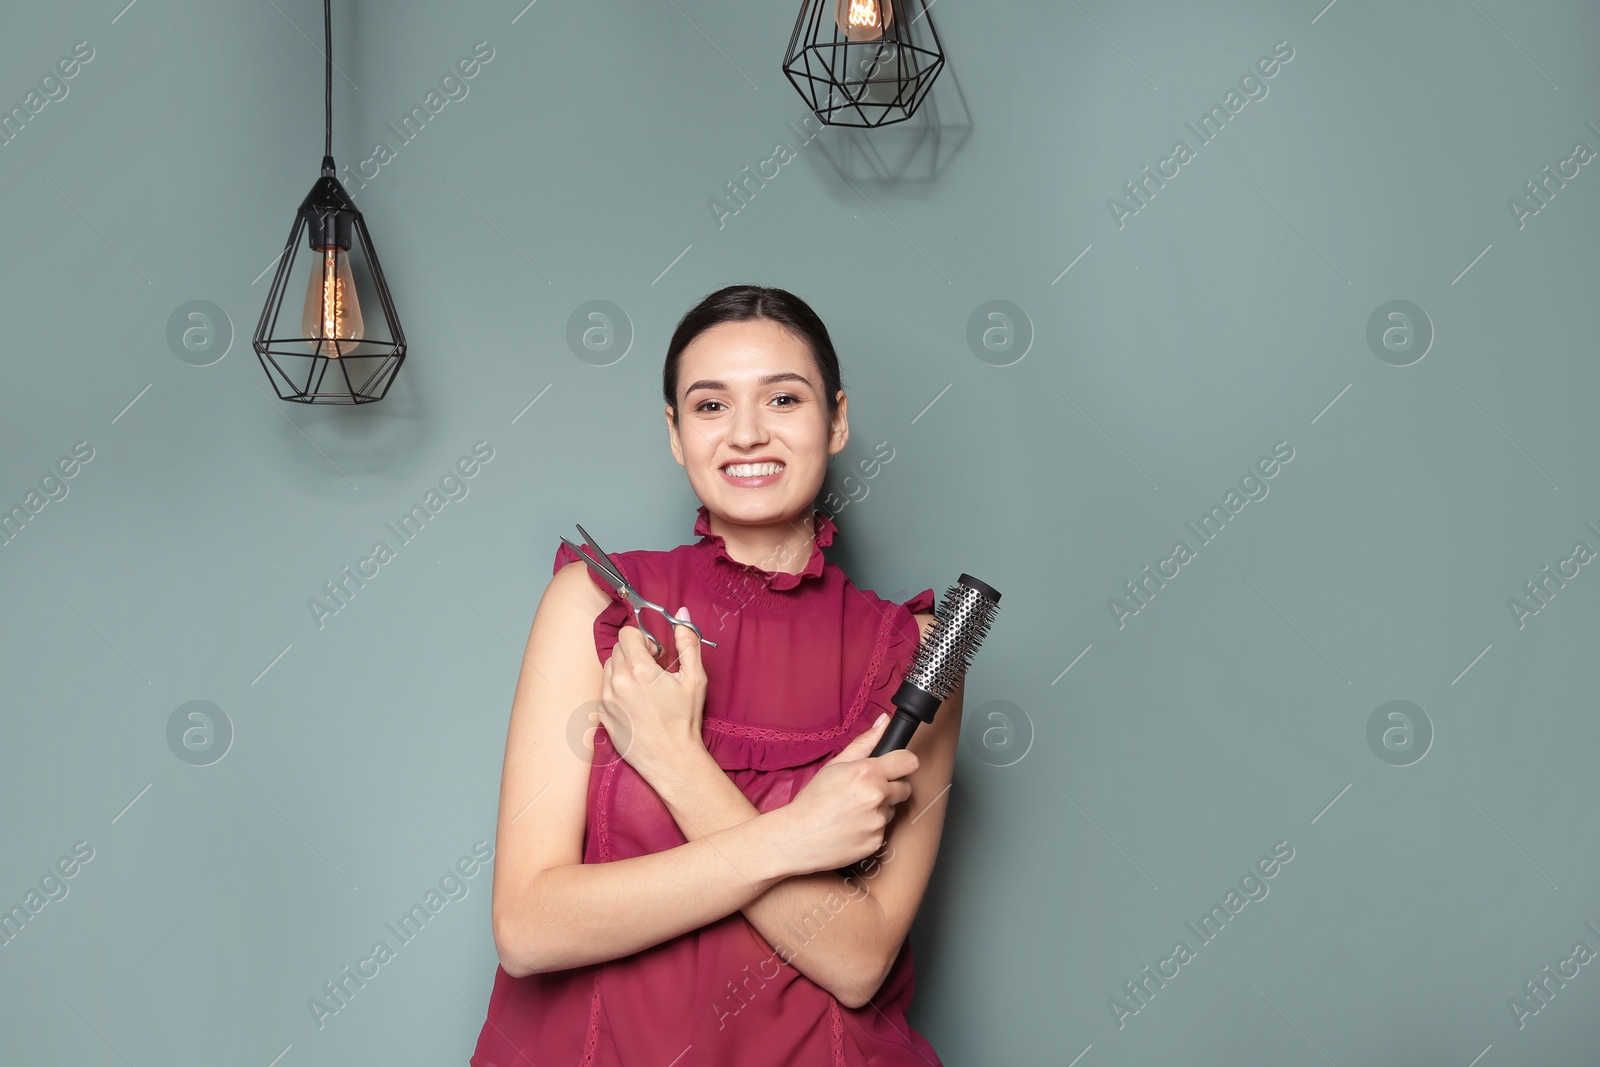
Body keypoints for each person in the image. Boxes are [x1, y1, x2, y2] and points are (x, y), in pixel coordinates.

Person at [471, 284, 962, 1066]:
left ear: (836, 420)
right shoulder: (592, 605)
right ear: (675, 433)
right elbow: (528, 929)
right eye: (709, 406)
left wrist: (677, 763)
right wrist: (793, 839)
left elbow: (858, 959)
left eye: (783, 398)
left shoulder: (913, 651)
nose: (746, 433)